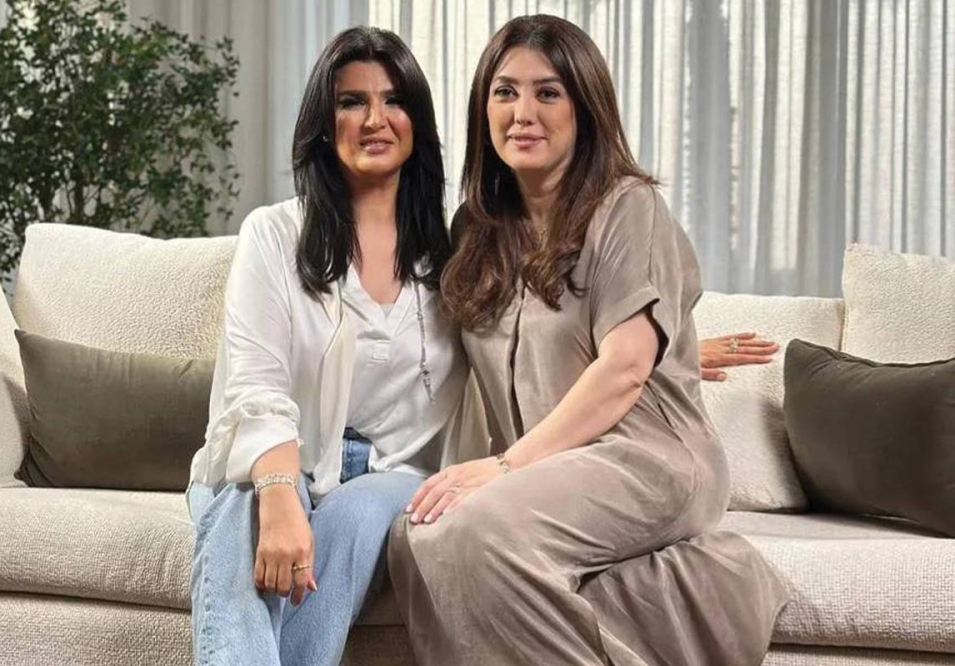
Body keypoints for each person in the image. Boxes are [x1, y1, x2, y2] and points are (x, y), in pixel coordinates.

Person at [389, 14, 788, 666]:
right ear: (483, 108)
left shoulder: (628, 207)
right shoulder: (474, 228)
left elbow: (625, 367)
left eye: (548, 93)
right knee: (416, 532)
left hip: (647, 460)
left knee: (480, 530)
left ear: (584, 108)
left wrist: (504, 467)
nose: (523, 113)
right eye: (505, 91)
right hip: (547, 467)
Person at [185, 27, 471, 666]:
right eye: (351, 102)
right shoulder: (273, 235)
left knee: (358, 514)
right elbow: (256, 384)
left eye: (393, 101)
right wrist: (279, 491)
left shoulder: (457, 257)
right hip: (278, 457)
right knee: (245, 507)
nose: (374, 120)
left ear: (418, 123)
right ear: (323, 124)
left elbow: (538, 335)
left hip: (392, 474)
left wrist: (655, 348)